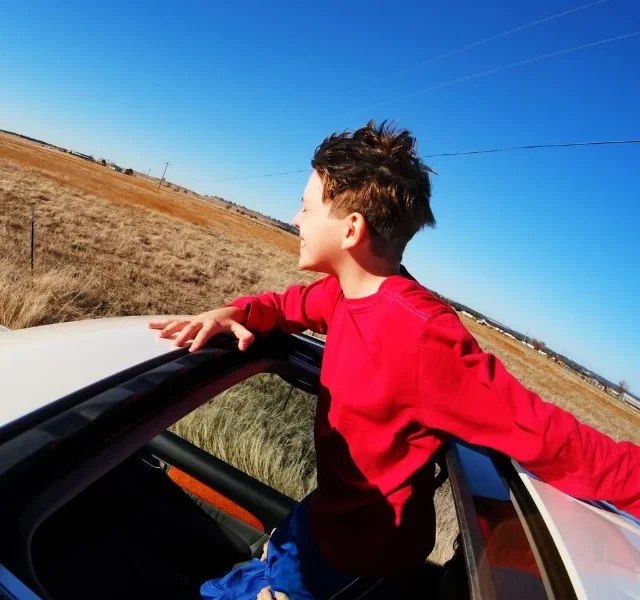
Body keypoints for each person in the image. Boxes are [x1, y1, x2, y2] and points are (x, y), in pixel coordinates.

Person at [149, 121, 640, 600]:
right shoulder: (344, 294)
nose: (296, 219)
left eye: (305, 208)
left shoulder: (421, 335)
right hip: (322, 522)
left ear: (351, 230)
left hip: (349, 563)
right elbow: (286, 307)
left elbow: (550, 439)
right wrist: (235, 312)